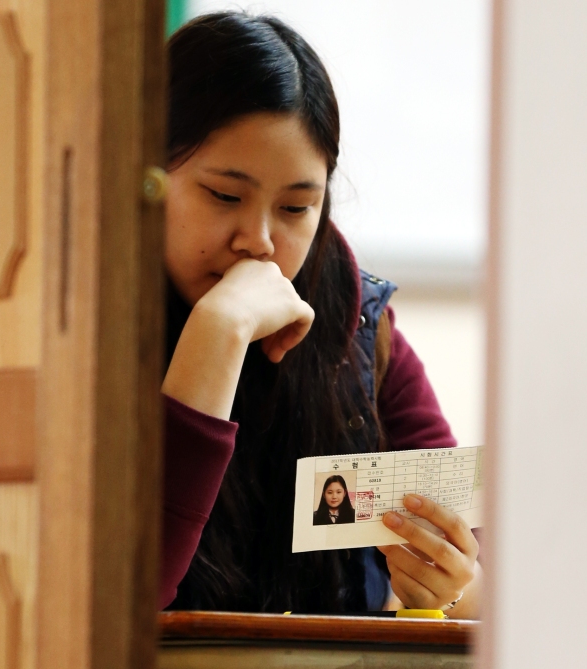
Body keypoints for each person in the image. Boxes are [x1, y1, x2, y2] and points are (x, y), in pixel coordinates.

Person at [160, 11, 481, 617]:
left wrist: (444, 584)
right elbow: (111, 605)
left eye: (296, 207)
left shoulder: (359, 326)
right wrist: (219, 333)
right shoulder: (78, 329)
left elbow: (483, 587)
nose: (258, 240)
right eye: (224, 196)